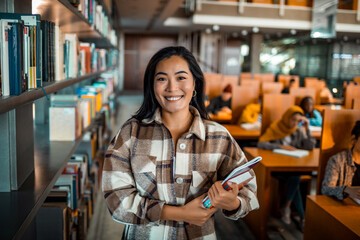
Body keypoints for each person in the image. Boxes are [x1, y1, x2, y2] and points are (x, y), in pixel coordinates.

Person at [102, 46, 259, 239]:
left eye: (181, 77)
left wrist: (231, 202)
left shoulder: (219, 137)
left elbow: (249, 191)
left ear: (195, 84)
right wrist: (179, 213)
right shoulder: (130, 133)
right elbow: (115, 200)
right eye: (161, 79)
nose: (172, 87)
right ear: (152, 86)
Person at [257, 106, 316, 231]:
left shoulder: (298, 130)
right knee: (295, 178)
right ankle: (301, 217)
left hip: (292, 167)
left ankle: (289, 208)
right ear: (287, 117)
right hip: (277, 169)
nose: (295, 123)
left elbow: (310, 147)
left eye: (297, 121)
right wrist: (281, 147)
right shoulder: (276, 127)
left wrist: (307, 128)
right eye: (293, 119)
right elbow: (261, 143)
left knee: (295, 176)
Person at [321, 121, 360, 201]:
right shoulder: (337, 160)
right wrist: (346, 190)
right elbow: (326, 190)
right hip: (343, 207)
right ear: (354, 139)